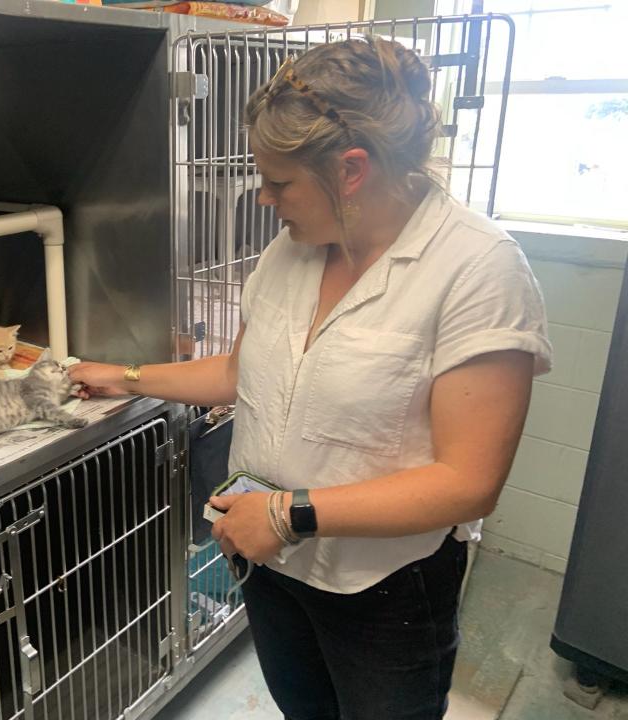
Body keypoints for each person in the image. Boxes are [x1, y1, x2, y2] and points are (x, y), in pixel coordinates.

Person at [69, 35, 551, 720]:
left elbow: (469, 481)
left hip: (382, 585)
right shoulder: (291, 252)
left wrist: (291, 514)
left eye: (279, 182)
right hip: (267, 561)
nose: (264, 198)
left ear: (351, 170)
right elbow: (242, 372)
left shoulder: (478, 270)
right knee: (305, 709)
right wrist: (129, 375)